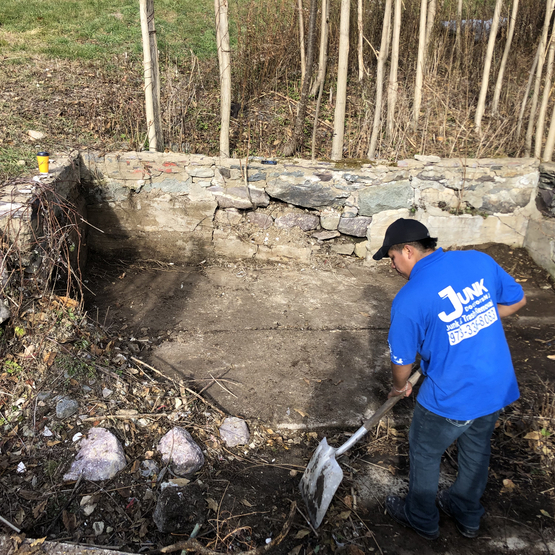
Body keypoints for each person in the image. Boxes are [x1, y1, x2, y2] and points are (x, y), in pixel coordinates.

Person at [372, 218, 526, 541]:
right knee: (476, 447)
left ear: (408, 251)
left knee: (425, 449)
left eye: (392, 258)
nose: (393, 266)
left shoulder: (409, 300)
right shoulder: (478, 260)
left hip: (452, 395)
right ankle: (466, 512)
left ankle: (422, 517)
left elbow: (402, 362)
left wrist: (401, 387)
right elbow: (517, 300)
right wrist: (476, 319)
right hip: (494, 385)